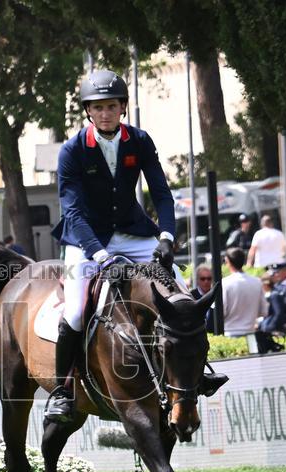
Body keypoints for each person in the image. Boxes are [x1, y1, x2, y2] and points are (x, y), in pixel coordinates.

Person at [45, 68, 179, 422]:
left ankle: (193, 371)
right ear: (88, 111)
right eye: (98, 107)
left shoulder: (139, 140)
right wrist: (101, 256)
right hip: (86, 240)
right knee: (74, 310)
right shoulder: (72, 150)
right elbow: (72, 211)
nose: (105, 113)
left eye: (111, 106)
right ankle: (62, 391)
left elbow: (162, 194)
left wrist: (166, 236)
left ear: (123, 107)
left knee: (180, 286)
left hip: (134, 233)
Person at [221, 247, 266, 337]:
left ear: (228, 261)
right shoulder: (257, 282)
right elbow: (263, 311)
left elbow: (222, 311)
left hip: (230, 332)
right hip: (251, 332)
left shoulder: (224, 283)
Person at [190, 264, 215, 332]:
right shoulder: (191, 296)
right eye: (203, 279)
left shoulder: (216, 295)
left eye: (209, 278)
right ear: (197, 280)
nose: (206, 281)